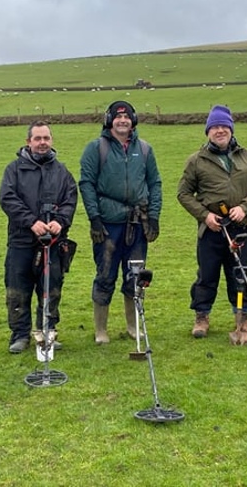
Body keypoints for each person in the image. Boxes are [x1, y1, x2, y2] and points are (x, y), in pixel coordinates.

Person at [177, 105, 247, 342]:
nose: (220, 131)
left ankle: (243, 318)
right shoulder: (196, 161)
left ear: (231, 129)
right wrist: (205, 216)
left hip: (240, 228)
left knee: (240, 274)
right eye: (215, 127)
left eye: (224, 126)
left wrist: (245, 208)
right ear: (208, 131)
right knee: (207, 275)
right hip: (212, 229)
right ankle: (201, 317)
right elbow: (184, 193)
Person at [79, 100, 162, 344]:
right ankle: (101, 330)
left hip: (138, 223)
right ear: (109, 120)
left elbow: (155, 183)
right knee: (105, 276)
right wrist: (94, 218)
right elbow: (86, 184)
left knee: (135, 276)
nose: (122, 121)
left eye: (126, 117)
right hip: (107, 224)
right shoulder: (96, 149)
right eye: (117, 117)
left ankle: (133, 326)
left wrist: (154, 216)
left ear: (133, 120)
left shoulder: (145, 150)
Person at [0, 121, 78, 354]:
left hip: (53, 243)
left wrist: (60, 221)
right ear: (28, 142)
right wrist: (31, 221)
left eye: (46, 138)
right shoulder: (14, 170)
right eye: (37, 138)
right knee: (18, 289)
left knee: (51, 288)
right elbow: (7, 199)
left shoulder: (62, 172)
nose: (42, 143)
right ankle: (20, 335)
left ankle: (47, 332)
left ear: (51, 140)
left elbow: (70, 199)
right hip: (21, 240)